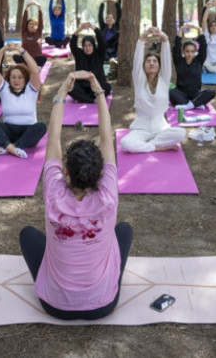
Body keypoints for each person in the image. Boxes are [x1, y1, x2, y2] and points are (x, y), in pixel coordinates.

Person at [19, 69, 132, 320]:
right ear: (101, 172)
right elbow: (106, 137)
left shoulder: (54, 193)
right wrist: (99, 92)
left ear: (66, 170)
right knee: (123, 230)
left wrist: (61, 94)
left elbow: (54, 139)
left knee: (27, 234)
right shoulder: (108, 196)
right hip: (103, 305)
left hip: (54, 306)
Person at [120, 27, 186, 153]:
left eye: (155, 61)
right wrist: (142, 38)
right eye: (148, 61)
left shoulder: (164, 79)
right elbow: (137, 60)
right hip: (141, 128)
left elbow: (166, 60)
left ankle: (146, 145)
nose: (151, 63)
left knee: (181, 133)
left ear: (159, 66)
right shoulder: (139, 79)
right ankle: (158, 147)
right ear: (144, 66)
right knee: (125, 143)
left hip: (161, 128)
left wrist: (164, 39)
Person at [0, 43, 46, 159]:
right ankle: (12, 148)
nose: (16, 80)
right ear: (9, 79)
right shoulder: (5, 89)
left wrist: (22, 50)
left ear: (25, 78)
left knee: (41, 127)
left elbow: (35, 71)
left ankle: (10, 147)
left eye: (20, 77)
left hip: (28, 132)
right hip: (8, 132)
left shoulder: (31, 90)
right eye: (13, 77)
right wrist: (1, 51)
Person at [170, 22, 215, 111]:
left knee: (211, 92)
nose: (190, 54)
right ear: (183, 51)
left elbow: (203, 46)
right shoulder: (178, 61)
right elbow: (177, 45)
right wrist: (181, 29)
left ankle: (188, 105)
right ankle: (196, 104)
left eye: (192, 51)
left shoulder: (199, 60)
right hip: (181, 93)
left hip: (196, 93)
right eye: (187, 51)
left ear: (195, 52)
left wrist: (199, 29)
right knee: (170, 92)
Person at [68, 22, 112, 103]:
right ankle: (92, 99)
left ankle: (83, 98)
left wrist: (94, 28)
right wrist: (79, 29)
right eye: (85, 45)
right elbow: (72, 44)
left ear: (93, 46)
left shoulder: (99, 54)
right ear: (83, 46)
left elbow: (101, 42)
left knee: (107, 87)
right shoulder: (79, 55)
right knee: (70, 87)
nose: (87, 48)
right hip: (82, 86)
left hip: (97, 85)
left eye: (90, 45)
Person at [19, 1, 48, 67]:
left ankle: (33, 66)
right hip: (25, 58)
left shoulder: (38, 32)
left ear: (37, 26)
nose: (32, 25)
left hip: (36, 58)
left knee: (43, 58)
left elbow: (41, 21)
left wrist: (39, 8)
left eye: (34, 24)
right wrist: (26, 8)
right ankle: (28, 65)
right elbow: (24, 21)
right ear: (27, 25)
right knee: (15, 57)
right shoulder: (24, 32)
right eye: (30, 24)